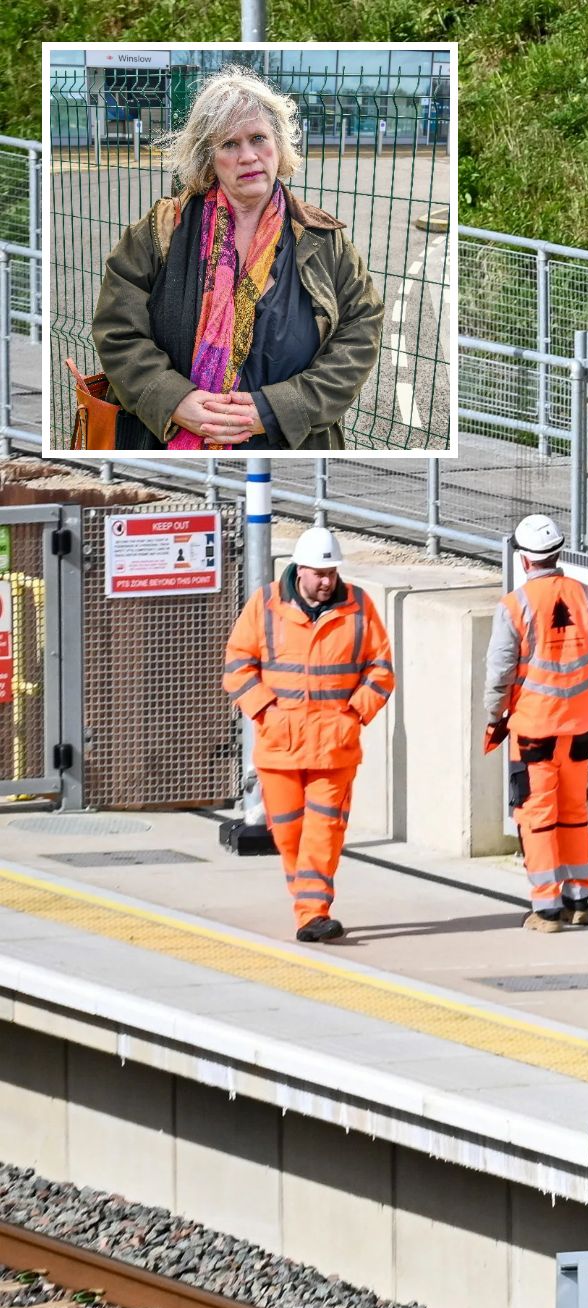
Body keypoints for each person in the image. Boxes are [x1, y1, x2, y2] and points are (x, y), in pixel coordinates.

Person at [91, 66, 384, 450]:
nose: (248, 156)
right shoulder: (158, 232)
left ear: (279, 147)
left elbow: (361, 330)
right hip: (170, 449)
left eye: (259, 138)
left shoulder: (322, 240)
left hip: (290, 452)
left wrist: (279, 409)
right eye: (229, 144)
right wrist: (173, 400)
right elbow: (118, 330)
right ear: (207, 158)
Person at [221, 527, 395, 942]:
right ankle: (307, 905)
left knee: (324, 831)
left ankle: (313, 912)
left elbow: (382, 669)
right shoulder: (264, 606)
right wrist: (267, 711)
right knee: (289, 834)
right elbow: (237, 666)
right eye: (319, 573)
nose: (326, 581)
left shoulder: (359, 607)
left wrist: (352, 715)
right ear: (299, 570)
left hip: (334, 746)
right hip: (280, 746)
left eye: (331, 573)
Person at [484, 515, 588, 931]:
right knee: (574, 811)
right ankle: (580, 899)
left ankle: (546, 908)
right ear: (558, 553)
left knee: (536, 814)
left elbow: (500, 672)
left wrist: (493, 715)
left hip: (535, 729)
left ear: (523, 560)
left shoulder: (515, 606)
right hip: (582, 725)